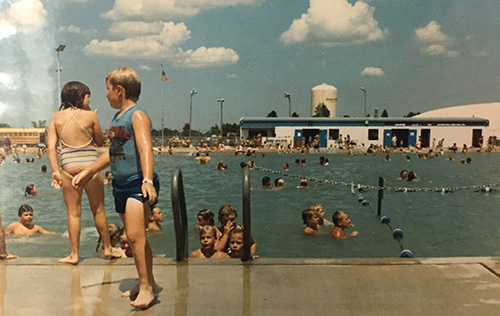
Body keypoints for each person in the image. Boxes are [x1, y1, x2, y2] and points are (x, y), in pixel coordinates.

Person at [72, 67, 160, 308]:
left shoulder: (137, 116)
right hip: (120, 185)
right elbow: (114, 153)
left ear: (119, 90)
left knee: (134, 235)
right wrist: (89, 171)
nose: (106, 95)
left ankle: (146, 289)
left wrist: (148, 180)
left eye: (108, 90)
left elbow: (145, 149)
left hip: (137, 184)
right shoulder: (117, 119)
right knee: (135, 239)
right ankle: (148, 281)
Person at [47, 81, 120, 265]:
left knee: (73, 213)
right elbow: (100, 141)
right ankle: (107, 247)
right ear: (79, 97)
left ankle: (74, 254)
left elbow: (51, 147)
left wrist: (56, 171)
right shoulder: (90, 116)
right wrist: (94, 119)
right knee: (98, 209)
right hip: (90, 168)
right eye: (87, 96)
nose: (89, 99)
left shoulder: (56, 118)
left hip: (68, 168)